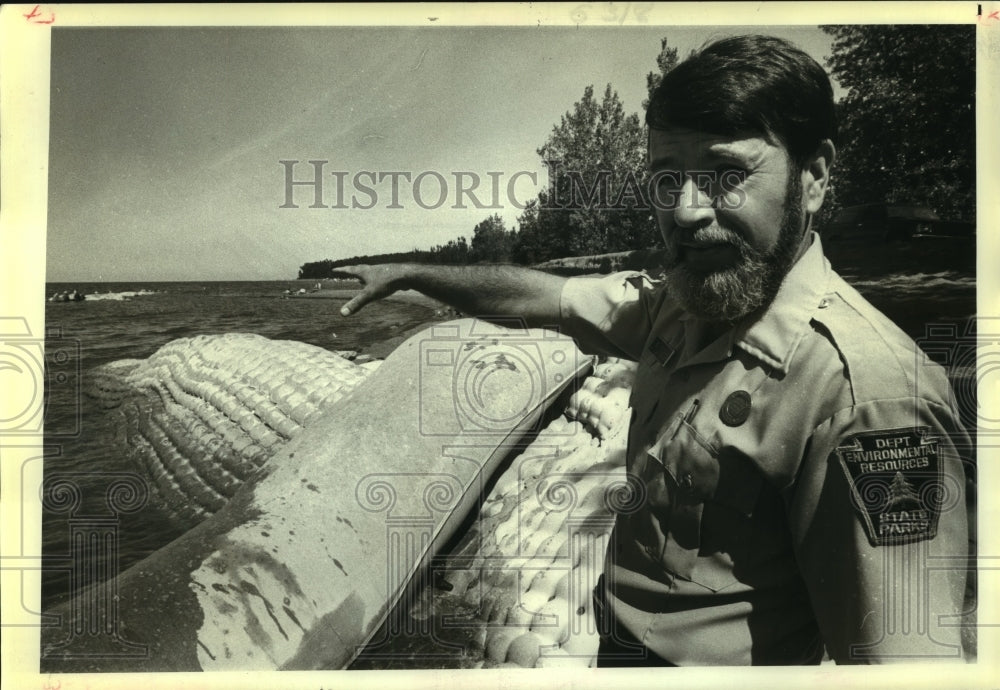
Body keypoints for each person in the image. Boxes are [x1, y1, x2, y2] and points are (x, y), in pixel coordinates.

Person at [338, 35, 972, 665]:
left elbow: (901, 664)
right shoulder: (679, 305)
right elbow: (542, 297)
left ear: (813, 176)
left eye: (727, 175)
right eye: (668, 178)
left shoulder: (869, 399)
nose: (687, 210)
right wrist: (413, 273)